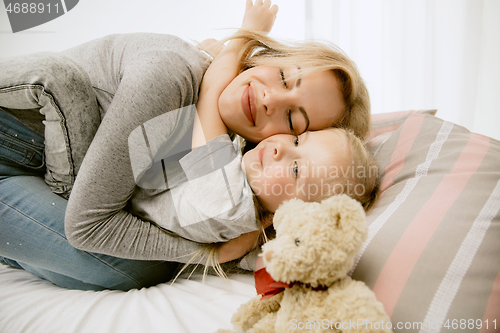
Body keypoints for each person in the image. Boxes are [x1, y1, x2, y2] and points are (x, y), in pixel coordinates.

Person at [0, 0, 372, 290]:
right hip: (17, 135)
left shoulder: (235, 161)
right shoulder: (171, 77)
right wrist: (216, 253)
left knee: (140, 267)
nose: (269, 99)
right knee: (131, 264)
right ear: (266, 57)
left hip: (48, 161)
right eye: (283, 75)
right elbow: (87, 225)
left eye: (293, 121)